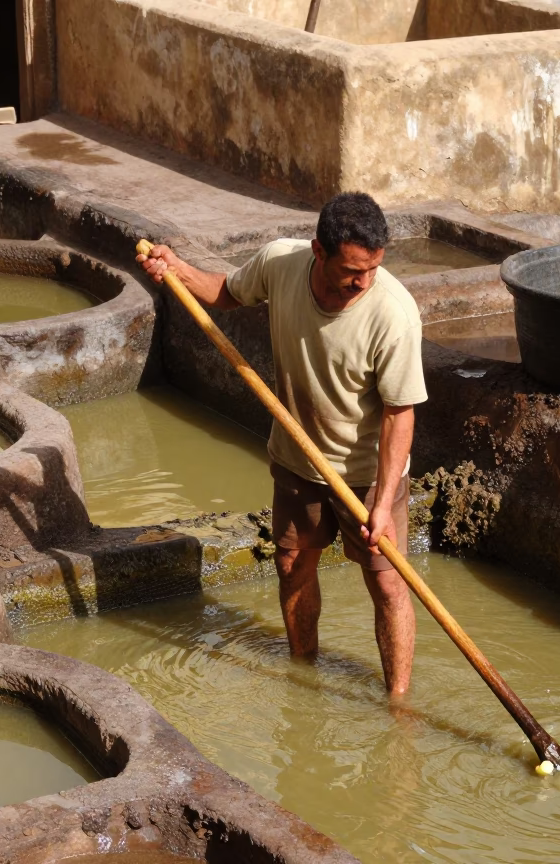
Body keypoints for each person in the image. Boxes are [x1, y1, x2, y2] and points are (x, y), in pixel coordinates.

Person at [137, 192, 428, 695]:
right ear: (319, 251)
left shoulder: (394, 315)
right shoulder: (281, 263)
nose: (363, 282)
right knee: (293, 565)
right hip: (298, 459)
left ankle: (398, 701)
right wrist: (178, 269)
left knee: (386, 583)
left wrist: (381, 504)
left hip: (368, 475)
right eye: (352, 271)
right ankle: (304, 674)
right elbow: (226, 291)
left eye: (373, 269)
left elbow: (400, 415)